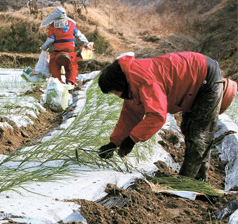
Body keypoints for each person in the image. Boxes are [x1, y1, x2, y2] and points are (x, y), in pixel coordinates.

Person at [96, 51, 236, 181]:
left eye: (115, 92)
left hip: (205, 78)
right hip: (193, 85)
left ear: (120, 84)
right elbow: (130, 115)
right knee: (188, 128)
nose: (117, 96)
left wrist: (132, 139)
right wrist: (114, 143)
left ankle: (185, 183)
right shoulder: (132, 83)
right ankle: (199, 179)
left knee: (198, 134)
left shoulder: (144, 79)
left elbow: (157, 116)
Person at [41, 6, 93, 85]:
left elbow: (50, 40)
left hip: (56, 53)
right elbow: (79, 35)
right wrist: (86, 42)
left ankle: (58, 83)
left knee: (54, 67)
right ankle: (70, 82)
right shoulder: (71, 24)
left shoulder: (52, 26)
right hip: (70, 52)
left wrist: (44, 47)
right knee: (72, 68)